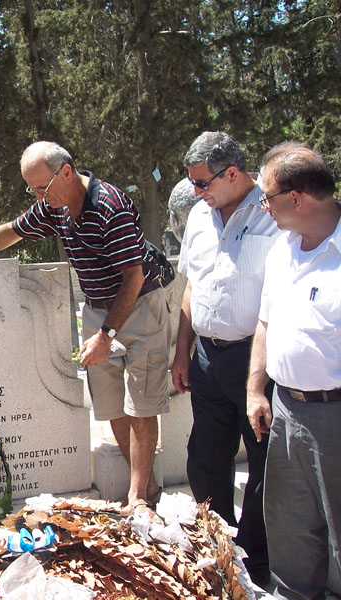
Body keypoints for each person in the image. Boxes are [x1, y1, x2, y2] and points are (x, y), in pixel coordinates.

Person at [0, 141, 169, 513]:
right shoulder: (55, 206)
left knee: (140, 404)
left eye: (42, 188)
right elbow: (13, 231)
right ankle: (147, 487)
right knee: (112, 404)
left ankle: (138, 498)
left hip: (138, 306)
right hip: (98, 309)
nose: (38, 198)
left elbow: (134, 277)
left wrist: (105, 335)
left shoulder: (110, 206)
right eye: (32, 190)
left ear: (66, 172)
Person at [171, 131, 277, 585]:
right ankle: (218, 548)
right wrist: (182, 350)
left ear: (232, 173)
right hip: (207, 358)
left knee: (263, 465)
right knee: (205, 460)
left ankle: (255, 561)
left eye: (201, 183)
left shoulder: (273, 213)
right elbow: (192, 286)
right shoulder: (200, 214)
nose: (195, 193)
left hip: (256, 359)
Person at [247, 144, 341, 600]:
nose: (263, 207)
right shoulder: (281, 250)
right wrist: (256, 390)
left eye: (267, 197)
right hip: (286, 410)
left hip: (334, 415)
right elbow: (266, 322)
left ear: (297, 198)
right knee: (289, 528)